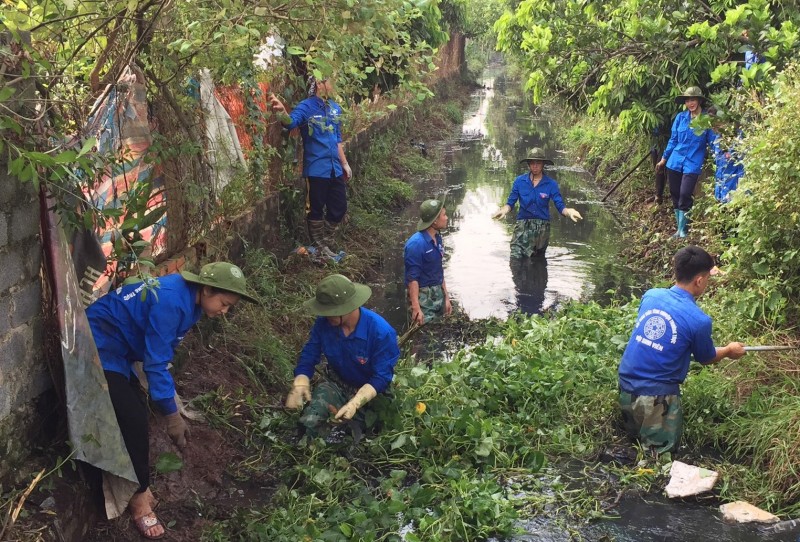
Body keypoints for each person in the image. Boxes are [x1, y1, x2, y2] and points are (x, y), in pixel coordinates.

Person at [86, 262, 258, 539]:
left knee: (136, 408)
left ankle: (137, 484)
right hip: (97, 345)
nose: (225, 312)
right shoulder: (172, 301)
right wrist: (171, 415)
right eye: (224, 303)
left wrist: (166, 397)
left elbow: (164, 351)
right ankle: (139, 500)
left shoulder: (192, 302)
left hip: (121, 351)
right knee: (132, 420)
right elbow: (155, 364)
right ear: (206, 288)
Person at [617, 246, 746, 454]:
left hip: (625, 386)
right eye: (708, 278)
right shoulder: (699, 320)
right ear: (699, 281)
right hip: (657, 398)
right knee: (658, 460)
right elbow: (707, 357)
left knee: (633, 446)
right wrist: (730, 350)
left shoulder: (651, 295)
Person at [285, 274, 400, 438]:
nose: (326, 316)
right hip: (338, 385)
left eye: (330, 312)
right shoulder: (324, 324)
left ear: (348, 307)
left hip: (372, 394)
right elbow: (310, 354)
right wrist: (301, 381)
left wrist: (355, 402)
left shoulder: (381, 333)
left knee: (360, 432)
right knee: (309, 424)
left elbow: (381, 377)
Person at [270, 76, 352, 257]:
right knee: (315, 208)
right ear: (320, 84)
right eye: (332, 81)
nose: (334, 85)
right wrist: (283, 111)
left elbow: (338, 139)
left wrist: (345, 164)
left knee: (339, 207)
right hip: (316, 169)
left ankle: (327, 243)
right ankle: (320, 246)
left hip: (334, 168)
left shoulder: (335, 108)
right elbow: (291, 122)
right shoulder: (306, 107)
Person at [492, 147, 583, 258]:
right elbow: (510, 203)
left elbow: (559, 205)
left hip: (542, 228)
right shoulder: (519, 181)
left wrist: (569, 211)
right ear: (529, 164)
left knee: (536, 262)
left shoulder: (551, 184)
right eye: (532, 163)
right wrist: (503, 211)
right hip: (522, 226)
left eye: (538, 163)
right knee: (515, 258)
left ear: (543, 164)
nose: (535, 166)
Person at [656, 86, 715, 238]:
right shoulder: (680, 118)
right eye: (688, 100)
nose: (690, 103)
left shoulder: (706, 120)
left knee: (685, 193)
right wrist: (664, 159)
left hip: (693, 162)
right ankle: (679, 230)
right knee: (675, 193)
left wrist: (723, 155)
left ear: (699, 100)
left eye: (693, 100)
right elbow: (673, 140)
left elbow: (713, 142)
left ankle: (684, 230)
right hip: (675, 161)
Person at [404, 198, 452, 325]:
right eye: (443, 215)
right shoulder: (416, 245)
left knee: (440, 332)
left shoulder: (437, 238)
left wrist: (446, 297)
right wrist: (416, 308)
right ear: (435, 221)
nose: (446, 217)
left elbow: (439, 270)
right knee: (423, 338)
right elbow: (412, 279)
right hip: (422, 296)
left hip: (438, 293)